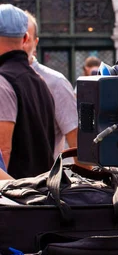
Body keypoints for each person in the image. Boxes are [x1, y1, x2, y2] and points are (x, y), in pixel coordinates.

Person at [0, 4, 55, 178]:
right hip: (38, 195)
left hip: (15, 198)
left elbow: (4, 150)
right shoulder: (40, 81)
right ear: (25, 38)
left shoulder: (3, 81)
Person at [23, 12, 78, 158]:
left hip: (41, 179)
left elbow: (77, 145)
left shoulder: (56, 83)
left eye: (24, 37)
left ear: (35, 43)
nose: (19, 44)